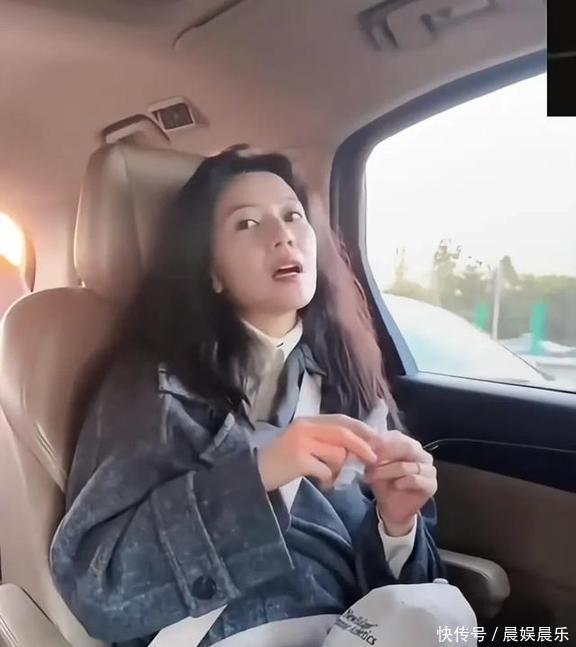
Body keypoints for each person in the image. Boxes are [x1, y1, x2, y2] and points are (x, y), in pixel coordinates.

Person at [50, 150, 446, 647]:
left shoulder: (351, 381)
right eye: (247, 223)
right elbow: (98, 586)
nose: (282, 235)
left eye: (292, 215)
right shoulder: (154, 390)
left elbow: (403, 599)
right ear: (211, 271)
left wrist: (398, 525)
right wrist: (259, 475)